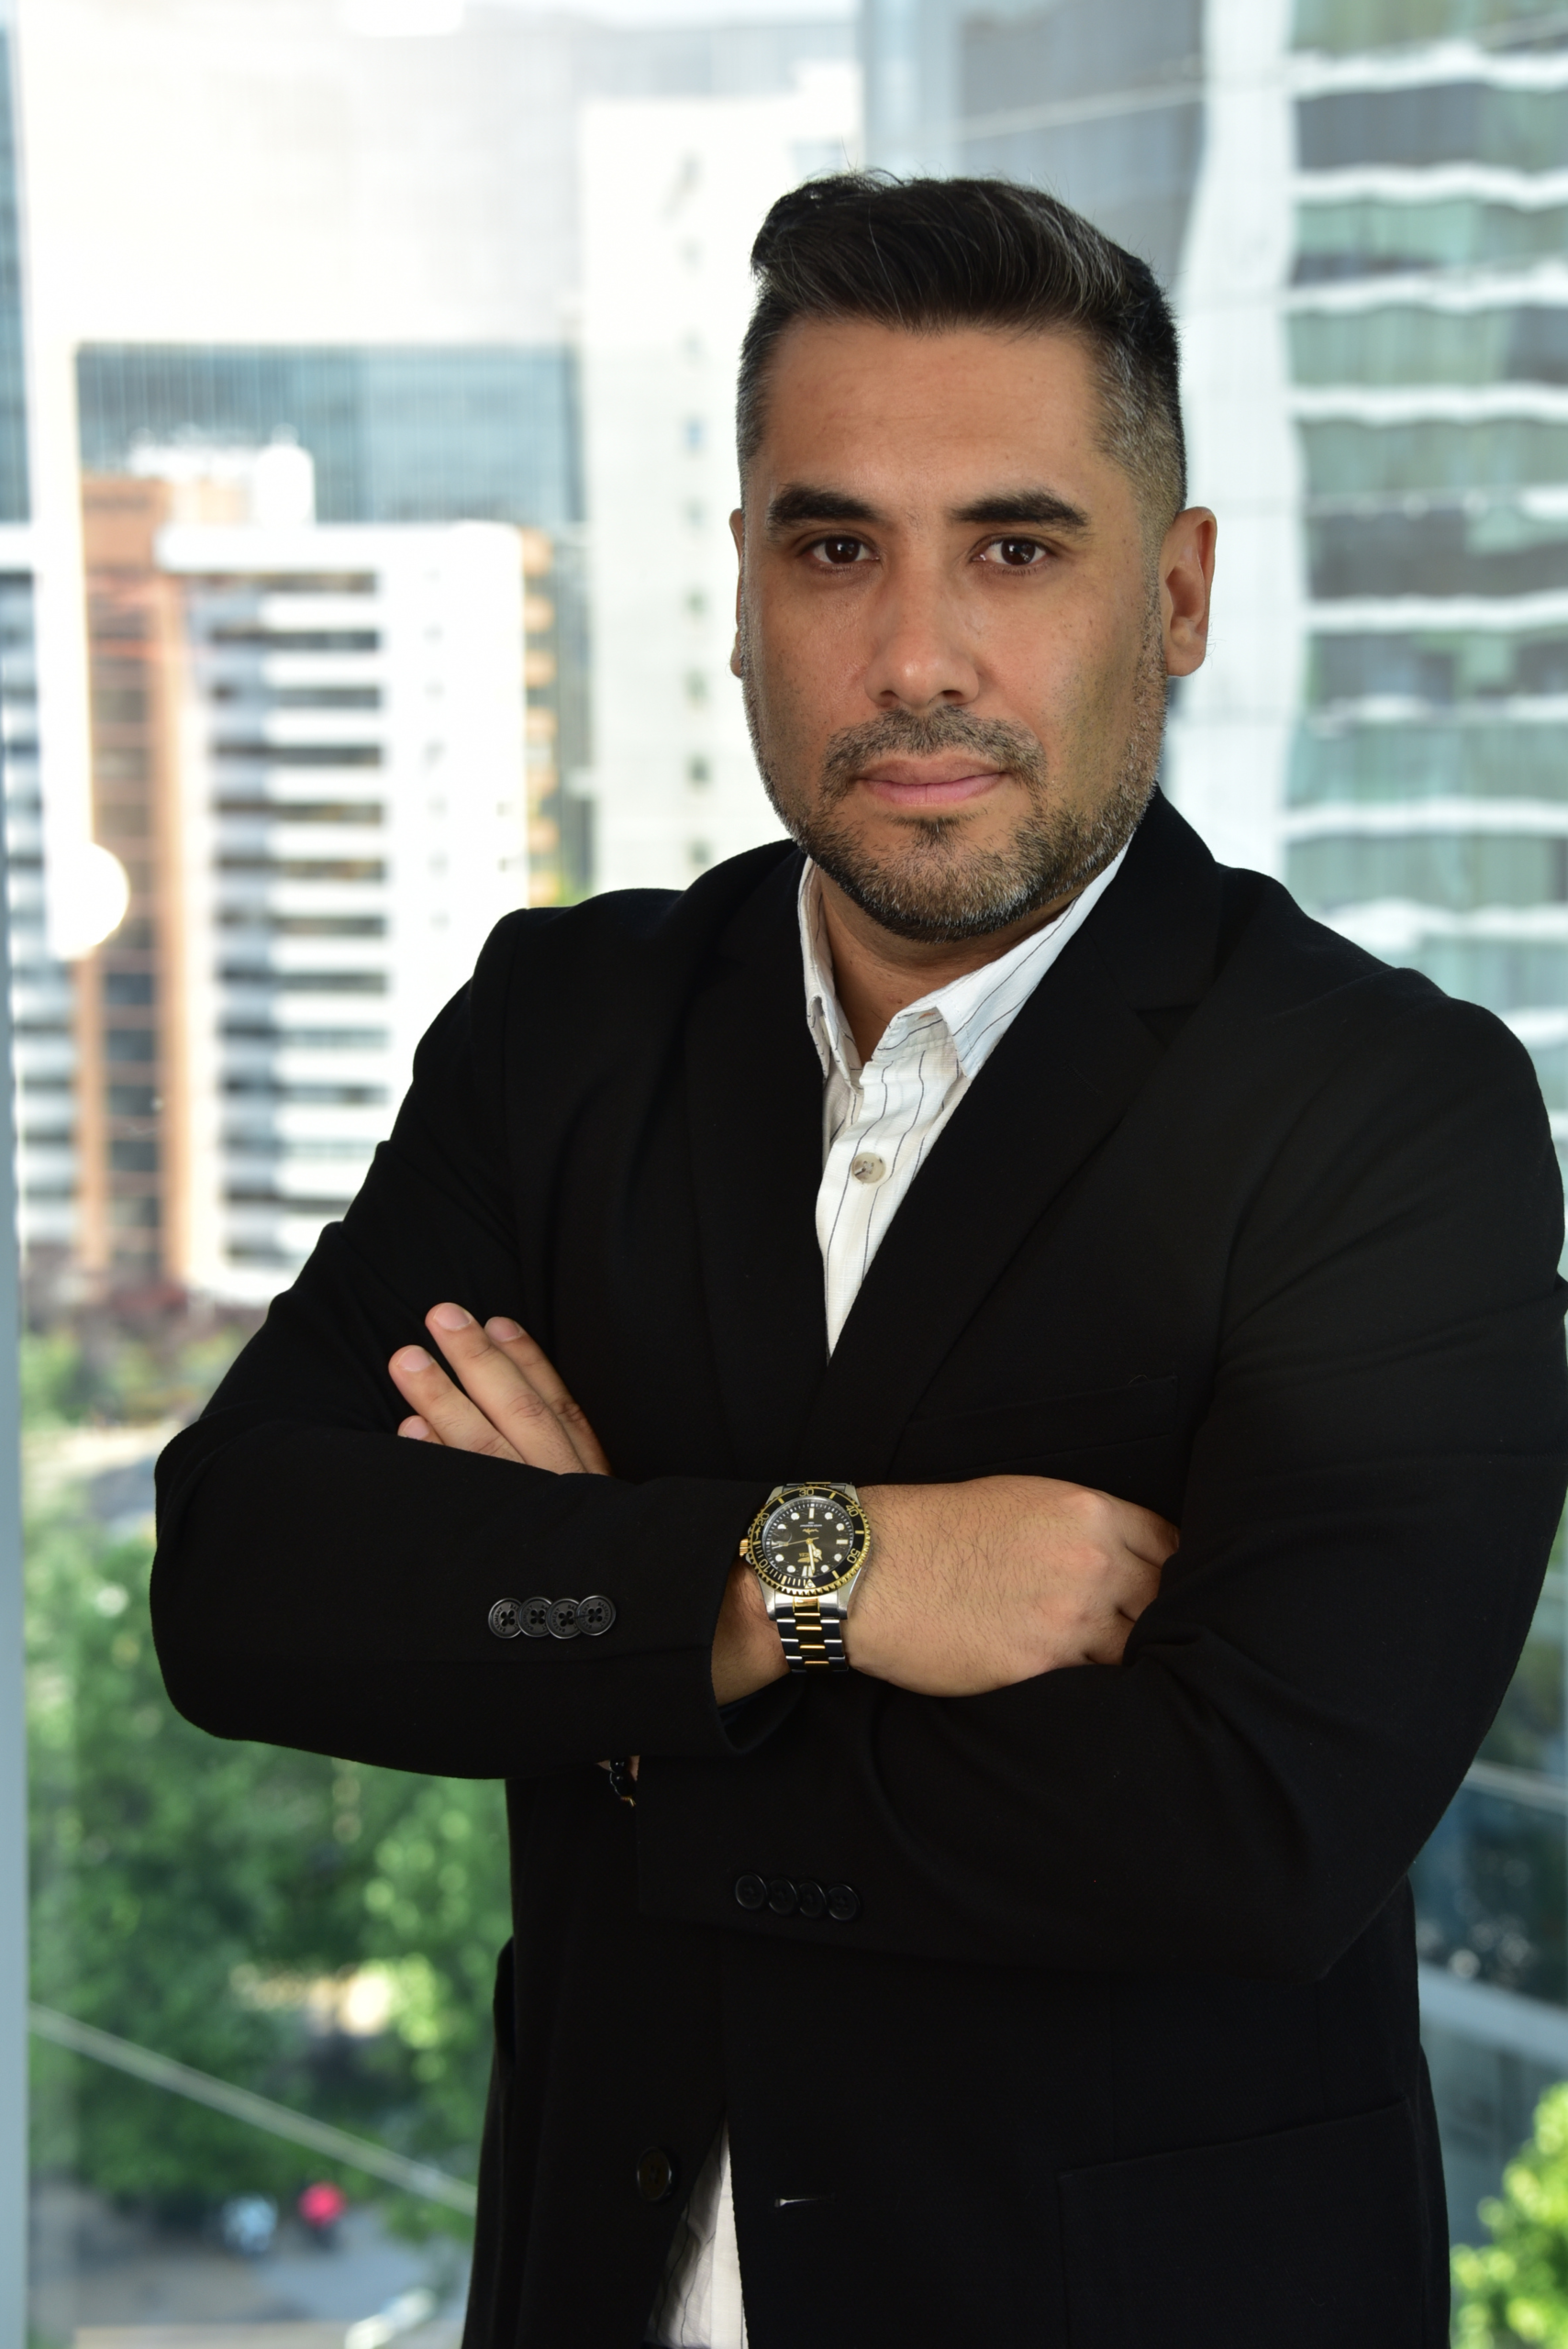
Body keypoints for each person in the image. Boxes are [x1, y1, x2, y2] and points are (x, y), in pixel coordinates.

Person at [152, 175, 1568, 2349]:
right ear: (740, 587)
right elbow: (248, 1577)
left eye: (1013, 548)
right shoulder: (565, 1032)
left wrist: (621, 1662)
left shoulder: (1384, 1112)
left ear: (1176, 592)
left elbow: (1242, 1827)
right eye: (834, 550)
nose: (914, 656)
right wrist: (818, 1573)